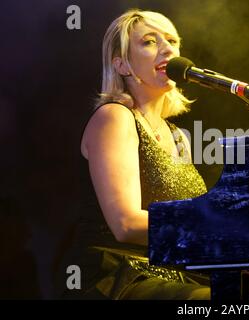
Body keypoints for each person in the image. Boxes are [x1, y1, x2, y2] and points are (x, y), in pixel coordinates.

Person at [57, 8, 210, 300]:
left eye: (172, 40)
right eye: (149, 42)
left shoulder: (178, 137)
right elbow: (125, 224)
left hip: (171, 278)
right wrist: (213, 224)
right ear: (122, 65)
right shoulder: (114, 117)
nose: (167, 49)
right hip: (117, 279)